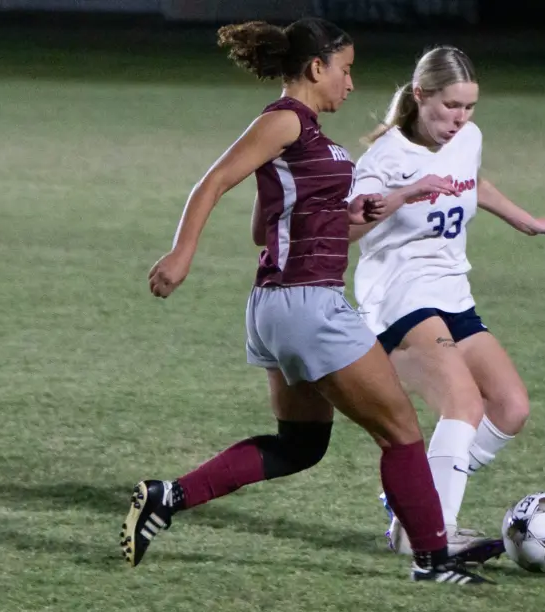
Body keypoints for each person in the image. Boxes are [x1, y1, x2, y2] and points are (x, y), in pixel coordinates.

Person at [120, 19, 491, 585]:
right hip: (309, 304)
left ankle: (167, 497)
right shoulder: (286, 119)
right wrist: (181, 254)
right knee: (401, 429)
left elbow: (264, 227)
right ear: (317, 68)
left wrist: (355, 212)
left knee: (300, 445)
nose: (351, 82)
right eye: (345, 69)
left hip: (278, 306)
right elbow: (213, 181)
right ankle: (434, 560)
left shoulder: (305, 134)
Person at [347, 46, 545, 556]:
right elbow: (347, 226)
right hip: (399, 298)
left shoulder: (468, 138)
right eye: (451, 105)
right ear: (420, 95)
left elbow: (473, 183)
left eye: (469, 106)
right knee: (463, 402)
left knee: (510, 407)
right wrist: (405, 193)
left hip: (451, 293)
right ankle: (431, 535)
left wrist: (527, 221)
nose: (460, 118)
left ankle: (414, 501)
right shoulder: (385, 158)